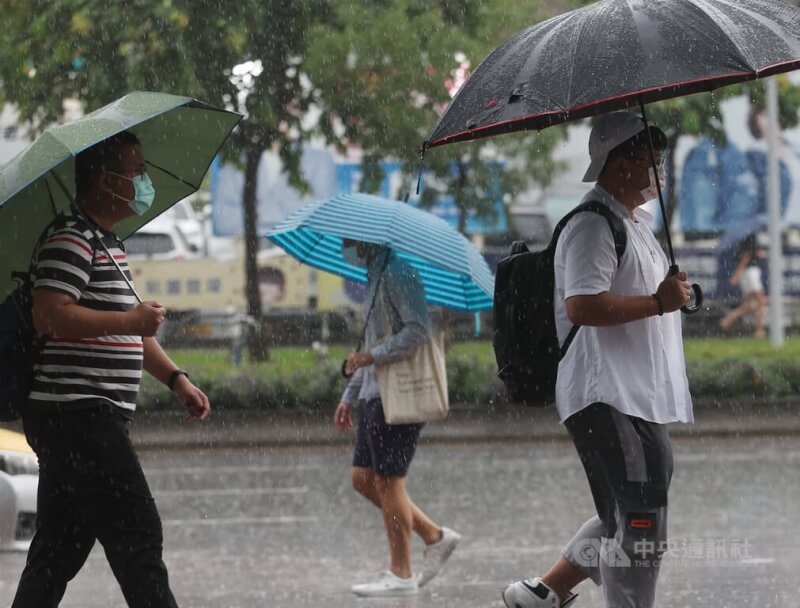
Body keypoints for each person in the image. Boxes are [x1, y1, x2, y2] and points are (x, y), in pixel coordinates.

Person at [502, 112, 693, 608]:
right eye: (649, 159)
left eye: (659, 158)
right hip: (605, 393)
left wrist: (675, 295)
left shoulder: (637, 223)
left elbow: (648, 293)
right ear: (619, 163)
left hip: (636, 393)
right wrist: (657, 302)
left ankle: (547, 591)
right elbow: (582, 305)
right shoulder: (592, 224)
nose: (658, 168)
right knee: (640, 520)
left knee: (628, 511)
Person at [12, 131, 211, 608]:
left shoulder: (106, 241)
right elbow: (50, 313)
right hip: (78, 414)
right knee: (137, 532)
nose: (143, 182)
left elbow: (129, 334)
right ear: (107, 181)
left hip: (80, 416)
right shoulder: (71, 238)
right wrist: (130, 319)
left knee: (60, 546)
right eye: (136, 172)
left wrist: (176, 379)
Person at [333, 239, 460, 597]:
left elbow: (417, 330)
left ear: (366, 240)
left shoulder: (398, 272)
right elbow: (373, 342)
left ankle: (401, 573)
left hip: (398, 395)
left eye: (348, 241)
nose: (345, 247)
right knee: (363, 478)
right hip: (375, 394)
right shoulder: (375, 276)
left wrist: (372, 356)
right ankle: (434, 536)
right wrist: (350, 394)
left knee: (390, 483)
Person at [719, 233, 768, 337]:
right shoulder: (750, 236)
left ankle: (728, 319)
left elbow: (746, 255)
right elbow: (747, 256)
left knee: (749, 304)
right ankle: (759, 329)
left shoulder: (742, 237)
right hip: (750, 272)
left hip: (746, 273)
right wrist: (737, 274)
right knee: (760, 301)